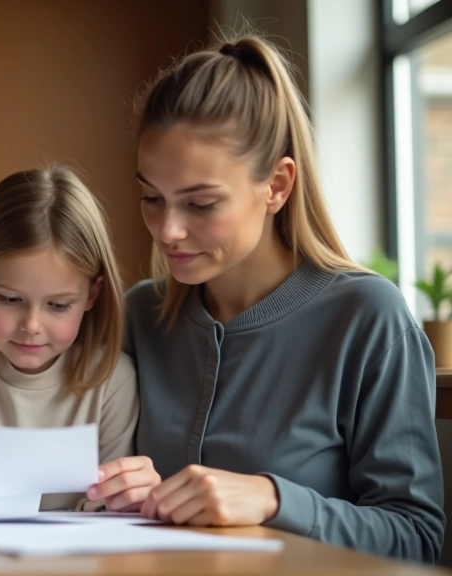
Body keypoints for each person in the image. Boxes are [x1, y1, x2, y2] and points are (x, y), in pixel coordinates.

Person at [116, 33, 444, 562]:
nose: (168, 230)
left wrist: (272, 499)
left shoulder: (368, 318)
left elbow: (416, 536)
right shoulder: (139, 316)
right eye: (152, 198)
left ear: (278, 184)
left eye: (200, 204)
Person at [0, 165, 159, 511]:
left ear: (92, 295)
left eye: (58, 305)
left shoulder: (113, 380)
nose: (32, 325)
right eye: (10, 300)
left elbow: (113, 507)